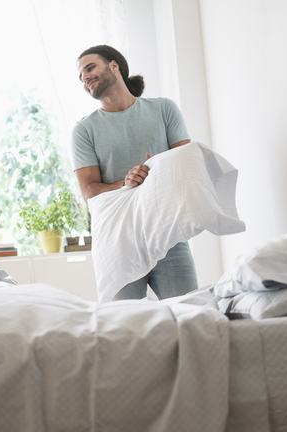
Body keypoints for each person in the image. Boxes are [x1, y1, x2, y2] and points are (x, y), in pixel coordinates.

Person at [71, 44, 198, 301]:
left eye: (90, 67)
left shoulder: (163, 109)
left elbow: (187, 165)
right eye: (80, 75)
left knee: (190, 314)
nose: (85, 77)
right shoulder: (84, 130)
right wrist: (125, 183)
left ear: (114, 65)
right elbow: (88, 191)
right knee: (124, 328)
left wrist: (160, 170)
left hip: (167, 233)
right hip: (117, 240)